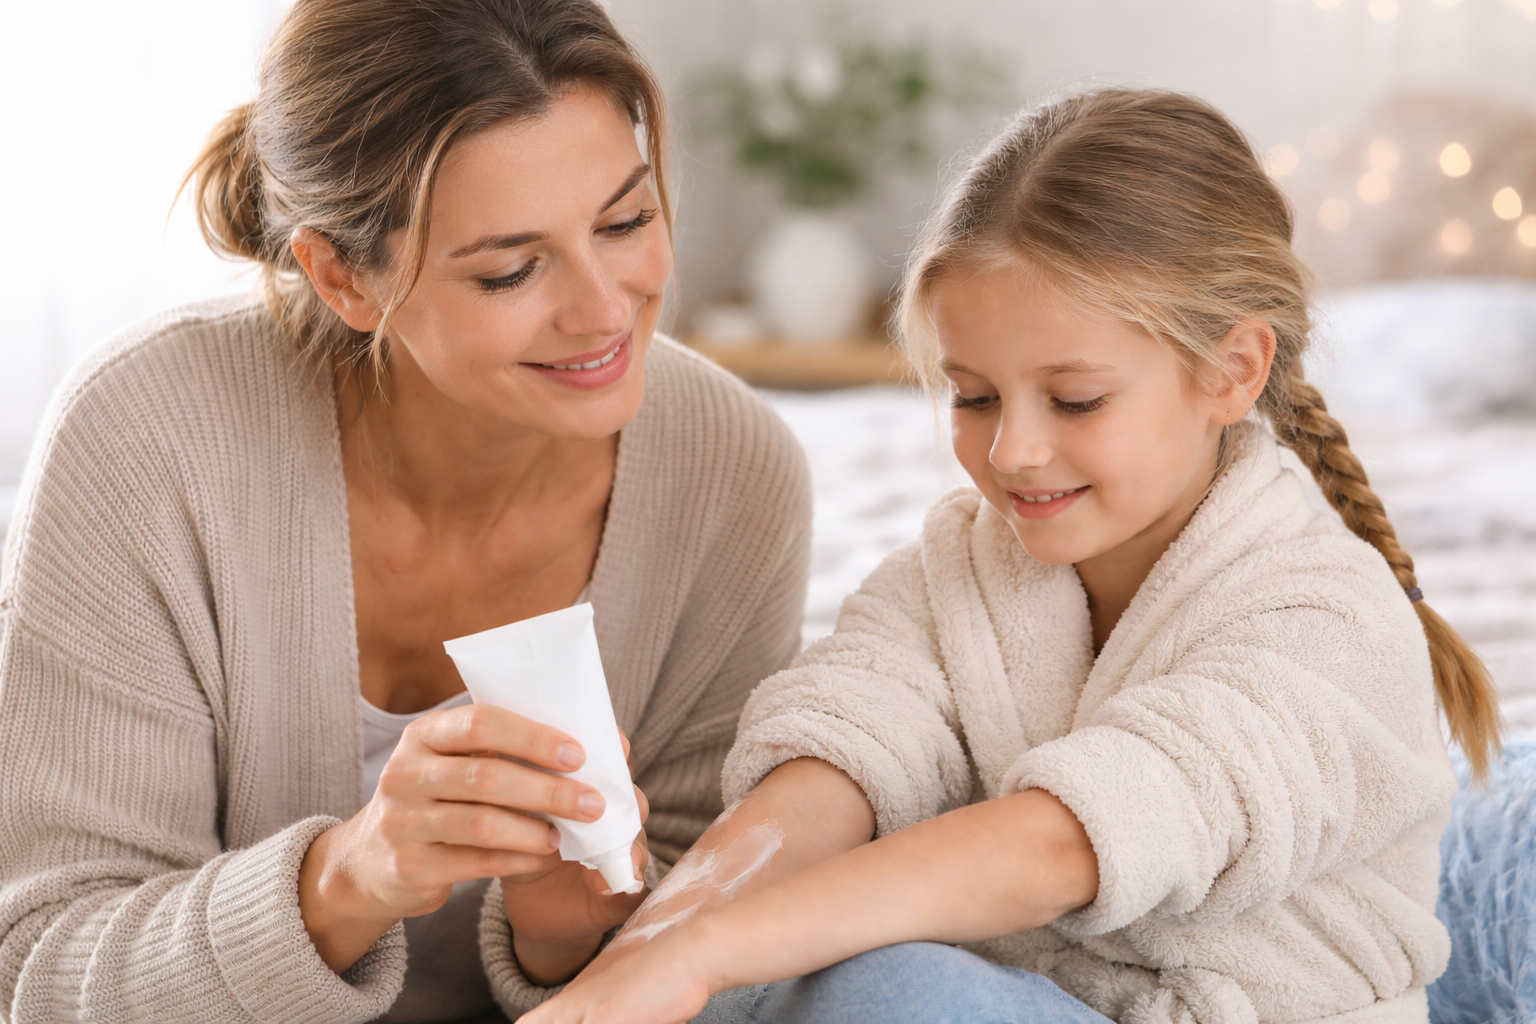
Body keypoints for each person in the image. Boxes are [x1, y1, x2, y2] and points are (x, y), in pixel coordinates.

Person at [524, 89, 1504, 1024]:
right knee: (724, 975)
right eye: (975, 396)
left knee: (882, 988)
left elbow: (1061, 844)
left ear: (1232, 370)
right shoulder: (958, 570)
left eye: (1075, 400)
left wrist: (709, 952)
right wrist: (655, 951)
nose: (1013, 452)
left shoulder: (1328, 619)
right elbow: (836, 762)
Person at [0, 1, 811, 1021]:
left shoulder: (733, 473)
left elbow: (707, 943)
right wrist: (348, 879)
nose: (606, 310)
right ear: (342, 277)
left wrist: (564, 938)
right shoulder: (148, 441)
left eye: (626, 222)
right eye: (511, 270)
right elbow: (41, 971)